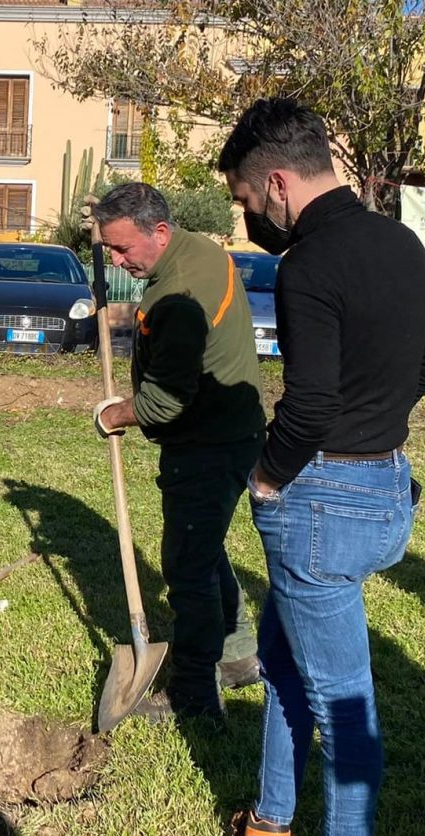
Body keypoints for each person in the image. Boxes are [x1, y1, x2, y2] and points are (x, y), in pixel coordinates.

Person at [215, 98, 425, 836]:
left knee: (341, 700)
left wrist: (268, 477)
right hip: (384, 484)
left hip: (319, 502)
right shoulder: (402, 243)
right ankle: (269, 824)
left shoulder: (308, 264)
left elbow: (307, 406)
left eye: (245, 199)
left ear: (277, 183)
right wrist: (375, 427)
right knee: (282, 663)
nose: (249, 217)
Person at [90, 182, 267, 721]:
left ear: (160, 231)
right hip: (234, 431)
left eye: (123, 248)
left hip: (206, 444)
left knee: (187, 565)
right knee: (204, 548)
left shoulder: (178, 295)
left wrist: (113, 414)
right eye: (109, 249)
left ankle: (195, 694)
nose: (117, 261)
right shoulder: (201, 250)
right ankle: (238, 656)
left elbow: (165, 402)